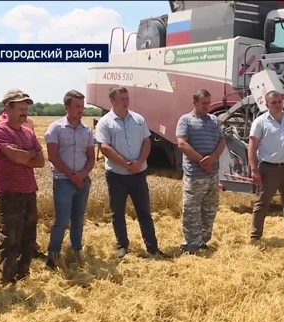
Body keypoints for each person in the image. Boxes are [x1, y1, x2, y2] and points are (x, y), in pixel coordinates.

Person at [95, 86, 164, 258]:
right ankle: (122, 246)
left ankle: (152, 247)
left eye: (127, 98)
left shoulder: (138, 119)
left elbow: (146, 142)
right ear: (112, 101)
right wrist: (126, 164)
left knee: (144, 212)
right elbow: (104, 147)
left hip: (138, 174)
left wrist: (139, 162)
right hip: (116, 176)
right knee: (117, 212)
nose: (126, 102)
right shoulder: (105, 122)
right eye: (122, 99)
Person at [0, 89, 45, 285]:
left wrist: (23, 155)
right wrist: (27, 154)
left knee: (28, 238)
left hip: (29, 190)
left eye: (26, 108)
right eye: (20, 108)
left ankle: (23, 276)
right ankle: (7, 280)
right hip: (9, 192)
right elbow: (16, 157)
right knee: (9, 239)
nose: (24, 111)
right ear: (7, 108)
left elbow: (41, 161)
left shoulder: (28, 132)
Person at [44, 90, 95, 269]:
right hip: (62, 180)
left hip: (82, 180)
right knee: (62, 220)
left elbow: (91, 158)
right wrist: (72, 176)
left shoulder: (87, 131)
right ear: (67, 107)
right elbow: (53, 156)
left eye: (82, 106)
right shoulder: (55, 128)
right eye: (77, 106)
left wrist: (81, 176)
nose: (81, 110)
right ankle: (53, 255)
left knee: (78, 219)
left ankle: (75, 251)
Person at [247, 90, 284, 241]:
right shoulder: (260, 122)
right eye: (274, 102)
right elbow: (252, 147)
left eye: (280, 101)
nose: (278, 105)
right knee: (262, 203)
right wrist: (254, 170)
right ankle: (255, 236)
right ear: (266, 105)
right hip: (268, 169)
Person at [175, 89, 226, 254]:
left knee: (209, 210)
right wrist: (201, 160)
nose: (207, 106)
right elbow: (182, 144)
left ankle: (203, 241)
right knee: (191, 210)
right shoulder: (186, 120)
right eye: (203, 103)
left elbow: (222, 141)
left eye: (208, 103)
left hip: (212, 175)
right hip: (194, 176)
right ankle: (191, 245)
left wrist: (213, 157)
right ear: (194, 103)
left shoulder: (215, 121)